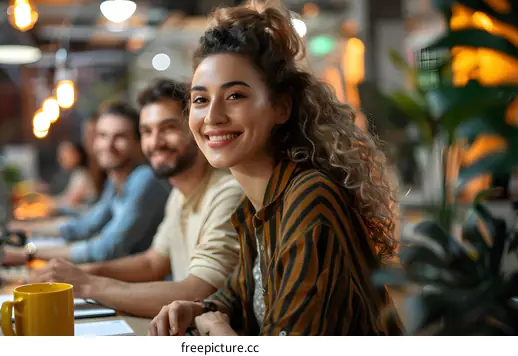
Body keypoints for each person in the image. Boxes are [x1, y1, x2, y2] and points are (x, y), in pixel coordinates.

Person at [148, 2, 402, 336]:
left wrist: (216, 328)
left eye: (235, 95)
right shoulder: (254, 206)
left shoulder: (309, 197)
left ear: (280, 107)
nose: (212, 117)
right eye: (200, 100)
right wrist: (199, 308)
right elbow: (237, 295)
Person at [29, 78, 243, 318]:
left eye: (169, 128)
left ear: (196, 128)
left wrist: (87, 284)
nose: (155, 142)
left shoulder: (228, 192)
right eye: (147, 131)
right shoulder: (178, 195)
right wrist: (83, 273)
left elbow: (197, 292)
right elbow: (153, 263)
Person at [4, 99, 171, 265]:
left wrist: (27, 253)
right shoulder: (117, 180)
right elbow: (86, 225)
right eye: (102, 135)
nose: (108, 145)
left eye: (119, 137)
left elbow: (106, 249)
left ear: (138, 142)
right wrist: (19, 227)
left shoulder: (145, 179)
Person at [49, 140, 97, 207]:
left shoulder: (81, 175)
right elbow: (66, 197)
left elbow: (71, 200)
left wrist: (48, 203)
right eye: (61, 156)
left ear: (77, 155)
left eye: (65, 155)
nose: (61, 159)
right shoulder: (76, 173)